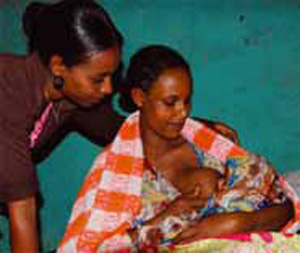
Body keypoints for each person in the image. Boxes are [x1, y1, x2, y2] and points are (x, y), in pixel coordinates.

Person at [0, 1, 238, 252]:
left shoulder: (68, 99)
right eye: (98, 79)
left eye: (111, 77)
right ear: (59, 67)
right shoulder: (9, 100)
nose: (108, 89)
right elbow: (23, 212)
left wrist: (196, 126)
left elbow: (127, 130)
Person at [58, 45, 298, 252]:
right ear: (140, 97)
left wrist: (237, 223)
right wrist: (166, 218)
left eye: (187, 101)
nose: (182, 113)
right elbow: (94, 248)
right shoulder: (115, 175)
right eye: (170, 103)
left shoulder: (210, 145)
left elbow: (286, 206)